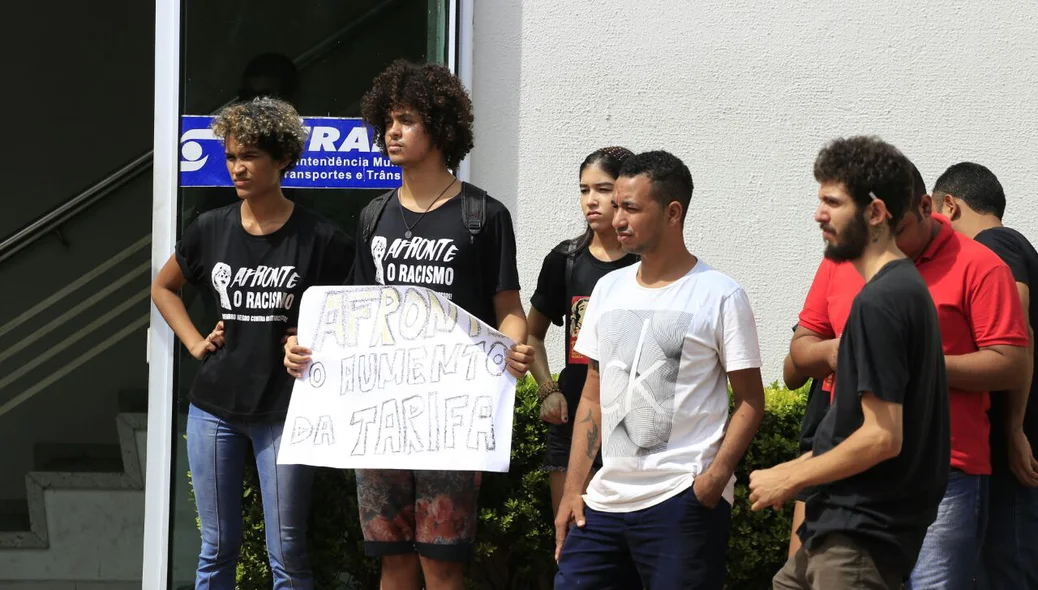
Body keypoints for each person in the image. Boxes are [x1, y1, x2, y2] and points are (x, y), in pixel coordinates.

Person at [282, 59, 532, 590]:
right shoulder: (374, 214)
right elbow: (351, 315)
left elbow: (508, 307)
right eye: (387, 121)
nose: (392, 132)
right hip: (381, 415)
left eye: (407, 120)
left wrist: (512, 351)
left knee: (442, 565)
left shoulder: (483, 215)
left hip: (451, 418)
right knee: (392, 560)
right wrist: (302, 349)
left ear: (441, 127)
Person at [783, 152, 1030, 588]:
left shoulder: (981, 265)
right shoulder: (843, 258)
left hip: (944, 470)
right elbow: (801, 349)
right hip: (851, 469)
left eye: (898, 233)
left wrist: (913, 362)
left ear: (927, 206)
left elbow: (1009, 363)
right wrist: (834, 352)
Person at [151, 97, 354, 590]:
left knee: (287, 552)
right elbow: (163, 287)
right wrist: (196, 343)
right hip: (214, 407)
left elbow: (350, 319)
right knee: (216, 548)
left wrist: (309, 341)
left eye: (249, 157)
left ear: (282, 159)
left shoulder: (322, 238)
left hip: (287, 412)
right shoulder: (210, 227)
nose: (237, 167)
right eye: (230, 157)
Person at [553, 150, 766, 589]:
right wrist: (575, 489)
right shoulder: (606, 289)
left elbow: (750, 400)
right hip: (604, 504)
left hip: (680, 502)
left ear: (673, 213)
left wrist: (713, 481)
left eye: (631, 207)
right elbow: (591, 395)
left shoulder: (720, 295)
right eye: (617, 207)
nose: (617, 219)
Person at [750, 135, 950, 588]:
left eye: (832, 202)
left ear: (876, 213)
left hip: (859, 538)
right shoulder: (896, 291)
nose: (819, 214)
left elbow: (882, 436)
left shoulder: (882, 301)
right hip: (836, 530)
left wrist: (790, 475)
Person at [933, 161, 1038, 589]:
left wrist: (1013, 427)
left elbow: (1018, 331)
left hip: (1014, 450)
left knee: (1007, 570)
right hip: (1013, 449)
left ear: (951, 206)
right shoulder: (1020, 246)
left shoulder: (996, 244)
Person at [527, 146, 639, 517]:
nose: (591, 200)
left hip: (636, 422)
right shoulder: (564, 260)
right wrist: (547, 389)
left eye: (602, 189)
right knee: (571, 539)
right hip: (574, 416)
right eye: (583, 190)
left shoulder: (648, 264)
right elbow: (532, 335)